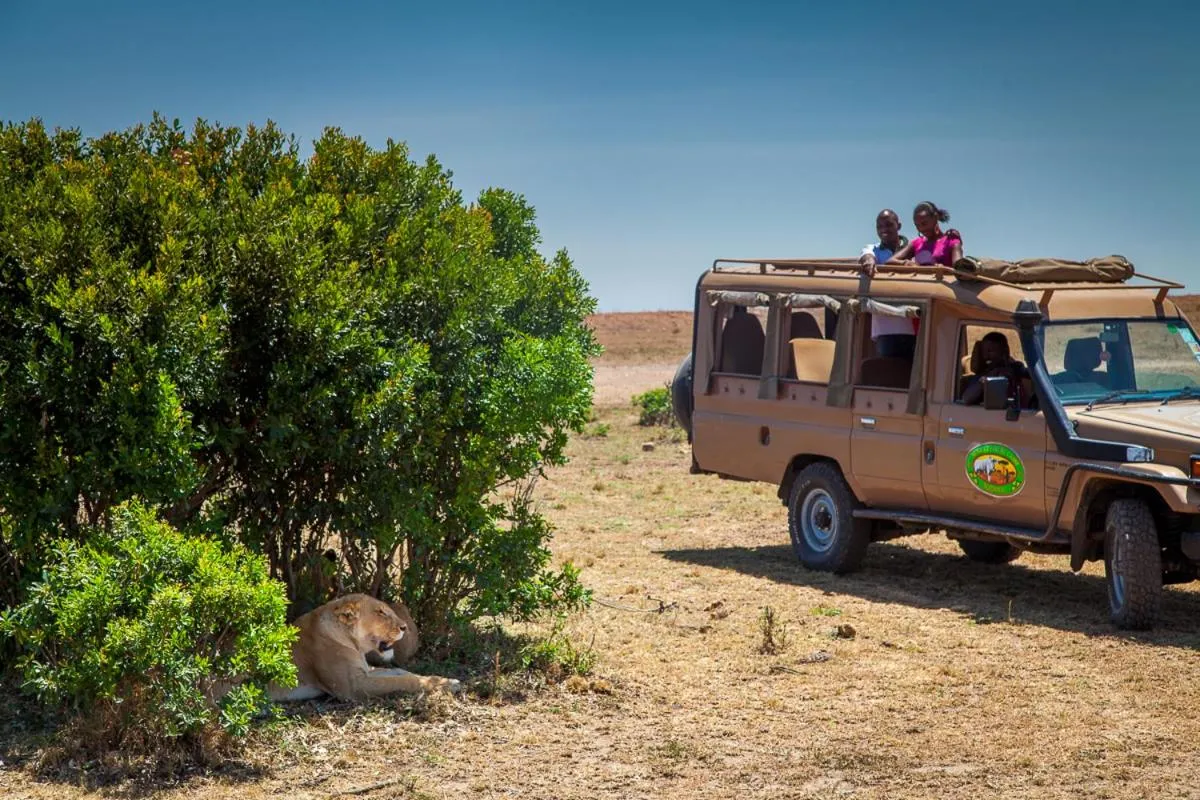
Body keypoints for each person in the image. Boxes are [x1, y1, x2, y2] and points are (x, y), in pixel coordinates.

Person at [858, 209, 917, 358]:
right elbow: (867, 257)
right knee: (889, 372)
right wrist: (869, 261)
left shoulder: (913, 248)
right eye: (879, 226)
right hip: (886, 326)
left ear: (899, 225)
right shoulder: (873, 249)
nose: (884, 230)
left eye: (889, 225)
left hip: (913, 324)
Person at [962, 332, 1030, 406]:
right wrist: (990, 377)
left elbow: (1033, 377)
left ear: (1004, 351)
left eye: (990, 351)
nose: (986, 356)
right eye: (984, 352)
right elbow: (967, 398)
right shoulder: (981, 375)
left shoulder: (1015, 368)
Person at [886, 201, 964, 267]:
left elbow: (960, 270)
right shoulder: (916, 244)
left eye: (924, 223)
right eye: (917, 225)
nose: (921, 228)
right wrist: (906, 263)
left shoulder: (951, 241)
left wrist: (943, 270)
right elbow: (890, 261)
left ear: (935, 218)